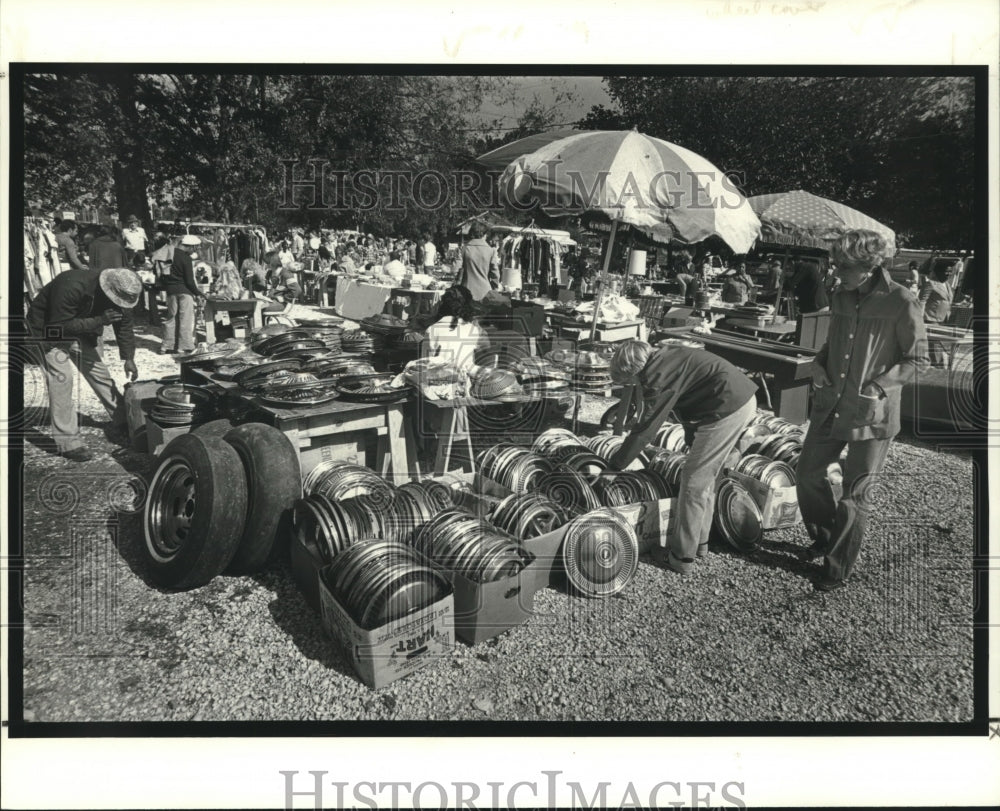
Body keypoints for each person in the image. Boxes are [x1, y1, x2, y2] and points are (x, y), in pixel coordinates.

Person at [795, 230, 928, 591]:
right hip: (831, 404)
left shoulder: (902, 302)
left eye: (843, 266)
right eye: (836, 264)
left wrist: (879, 386)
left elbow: (918, 359)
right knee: (807, 473)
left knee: (856, 494)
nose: (836, 273)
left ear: (869, 267)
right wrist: (820, 364)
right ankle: (824, 537)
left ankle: (837, 566)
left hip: (872, 413)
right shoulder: (840, 296)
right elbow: (831, 343)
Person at [608, 339, 759, 574]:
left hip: (727, 407)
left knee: (693, 483)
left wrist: (614, 466)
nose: (632, 385)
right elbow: (691, 398)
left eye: (628, 381)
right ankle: (700, 543)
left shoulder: (657, 377)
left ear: (634, 371)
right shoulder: (666, 357)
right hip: (737, 400)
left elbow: (645, 431)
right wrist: (691, 441)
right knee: (706, 479)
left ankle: (681, 557)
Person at [27, 267, 142, 461]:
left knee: (100, 374)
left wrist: (128, 357)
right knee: (62, 381)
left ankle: (123, 420)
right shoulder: (72, 284)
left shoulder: (124, 292)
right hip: (48, 331)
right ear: (107, 290)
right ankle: (68, 442)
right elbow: (59, 325)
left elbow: (124, 326)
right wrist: (100, 320)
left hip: (79, 331)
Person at [422, 285, 490, 373]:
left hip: (439, 381)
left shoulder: (432, 330)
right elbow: (486, 347)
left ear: (442, 306)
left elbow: (425, 364)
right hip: (465, 380)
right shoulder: (473, 329)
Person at [160, 234, 204, 355]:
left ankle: (166, 346)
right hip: (185, 292)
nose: (194, 251)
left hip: (171, 290)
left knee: (171, 318)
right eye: (194, 248)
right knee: (185, 319)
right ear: (190, 247)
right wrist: (198, 293)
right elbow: (189, 281)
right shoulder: (186, 258)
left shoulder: (169, 254)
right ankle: (183, 347)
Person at [918, 264, 953, 367]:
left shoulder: (947, 284)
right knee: (935, 344)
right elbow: (922, 301)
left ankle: (938, 365)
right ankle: (938, 366)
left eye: (950, 272)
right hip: (930, 318)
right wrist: (919, 319)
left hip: (942, 319)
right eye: (946, 271)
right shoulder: (930, 284)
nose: (948, 274)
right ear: (938, 272)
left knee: (937, 344)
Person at [457, 222, 500, 301]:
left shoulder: (464, 249)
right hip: (485, 292)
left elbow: (456, 270)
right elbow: (495, 274)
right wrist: (494, 288)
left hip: (466, 291)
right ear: (484, 234)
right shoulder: (491, 251)